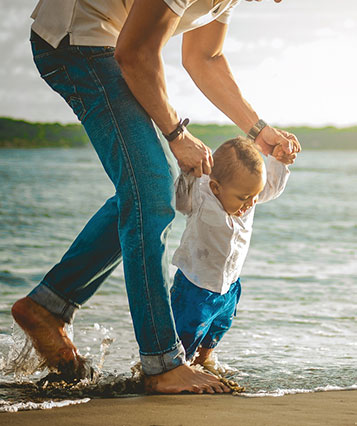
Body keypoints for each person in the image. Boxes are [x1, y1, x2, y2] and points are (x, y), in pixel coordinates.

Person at [11, 0, 300, 394]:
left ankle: (49, 306)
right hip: (77, 42)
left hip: (107, 43)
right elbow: (134, 53)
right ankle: (162, 363)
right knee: (151, 191)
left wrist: (258, 129)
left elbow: (206, 57)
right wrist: (177, 135)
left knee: (148, 193)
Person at [171, 137, 298, 367]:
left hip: (229, 286)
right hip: (195, 287)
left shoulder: (248, 195)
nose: (250, 204)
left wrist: (280, 162)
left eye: (254, 197)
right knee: (186, 337)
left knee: (218, 328)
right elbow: (179, 202)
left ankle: (205, 364)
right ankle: (179, 370)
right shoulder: (200, 194)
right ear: (216, 187)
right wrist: (188, 173)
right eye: (243, 198)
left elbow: (271, 188)